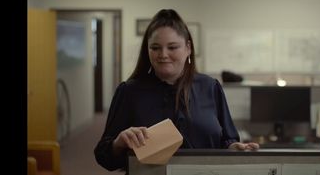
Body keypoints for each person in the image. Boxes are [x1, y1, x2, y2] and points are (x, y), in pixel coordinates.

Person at [94, 9, 259, 172]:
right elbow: (104, 157)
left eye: (172, 47)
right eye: (155, 47)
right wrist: (118, 143)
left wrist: (233, 148)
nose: (163, 54)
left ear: (188, 48)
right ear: (147, 50)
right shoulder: (129, 92)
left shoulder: (210, 87)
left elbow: (227, 140)